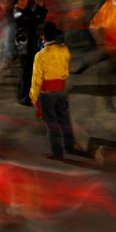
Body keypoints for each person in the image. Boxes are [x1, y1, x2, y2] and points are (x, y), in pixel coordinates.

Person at [29, 21, 81, 160]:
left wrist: (33, 97)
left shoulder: (40, 56)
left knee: (52, 123)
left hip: (47, 92)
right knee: (64, 119)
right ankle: (69, 147)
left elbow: (37, 79)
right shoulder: (64, 49)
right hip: (61, 89)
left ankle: (57, 153)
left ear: (43, 37)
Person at [13, 0, 47, 105]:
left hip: (30, 46)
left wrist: (40, 4)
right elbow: (36, 19)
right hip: (25, 48)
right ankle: (24, 97)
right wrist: (39, 7)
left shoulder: (24, 12)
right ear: (20, 0)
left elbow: (38, 17)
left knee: (30, 72)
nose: (27, 1)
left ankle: (29, 95)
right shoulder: (18, 14)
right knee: (26, 73)